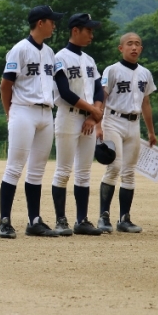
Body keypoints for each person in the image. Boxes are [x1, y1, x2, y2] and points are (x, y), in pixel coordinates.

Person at [0, 5, 64, 239]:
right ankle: (4, 221)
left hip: (46, 113)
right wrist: (10, 112)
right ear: (40, 23)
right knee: (15, 167)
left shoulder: (50, 52)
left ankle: (34, 220)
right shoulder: (20, 49)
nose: (54, 25)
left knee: (37, 170)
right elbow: (5, 85)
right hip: (23, 110)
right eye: (51, 21)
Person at [96, 32, 157, 233]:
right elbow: (102, 98)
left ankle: (124, 219)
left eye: (137, 44)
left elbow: (146, 103)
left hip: (134, 123)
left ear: (141, 49)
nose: (134, 47)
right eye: (129, 43)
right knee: (114, 167)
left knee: (129, 171)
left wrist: (151, 132)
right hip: (113, 120)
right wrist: (98, 125)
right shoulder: (112, 70)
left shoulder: (145, 73)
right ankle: (104, 217)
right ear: (121, 48)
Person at [51, 13, 105, 236]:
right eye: (88, 30)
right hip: (69, 116)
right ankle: (60, 220)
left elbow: (99, 89)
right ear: (75, 30)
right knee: (63, 170)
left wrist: (94, 115)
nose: (91, 34)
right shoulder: (60, 58)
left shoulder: (89, 60)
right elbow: (64, 92)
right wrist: (93, 109)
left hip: (88, 120)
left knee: (84, 171)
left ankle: (82, 220)